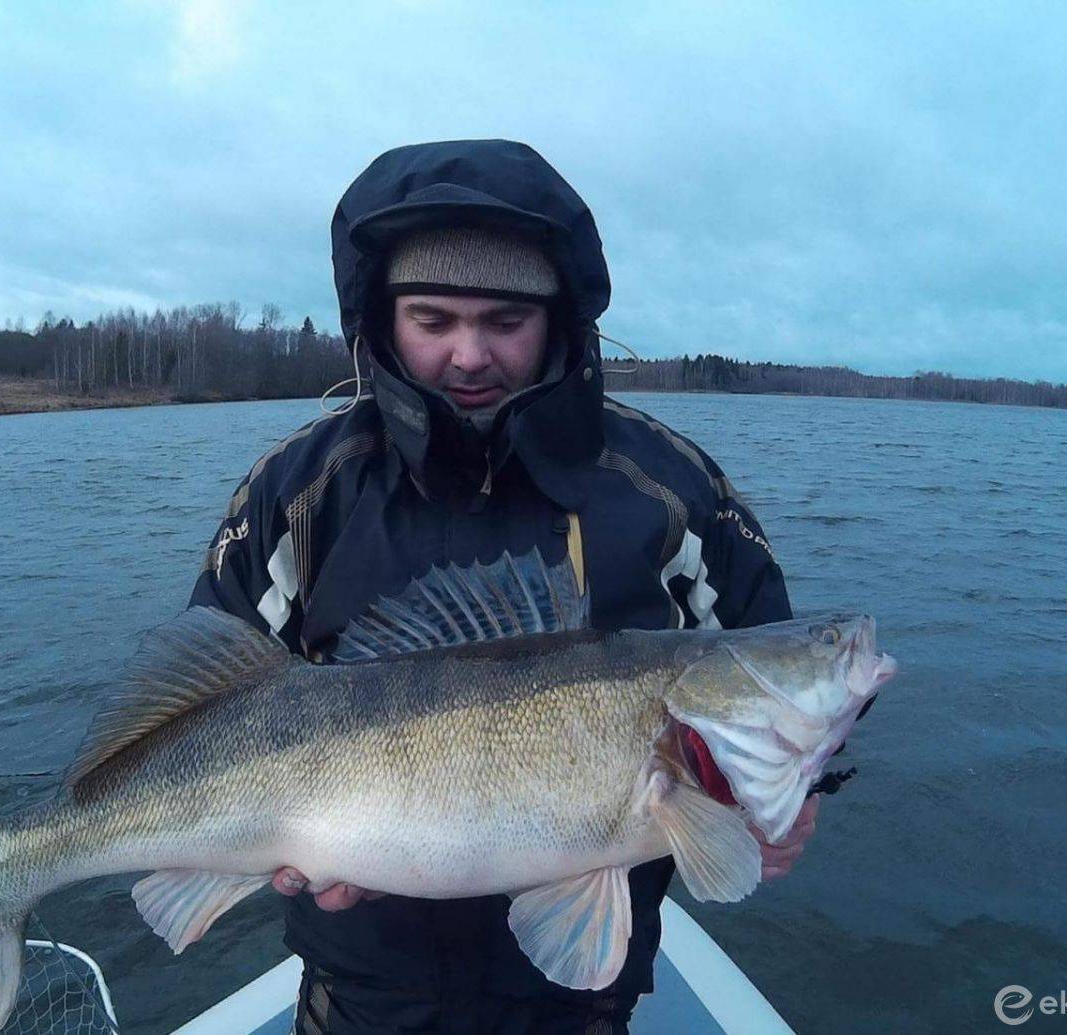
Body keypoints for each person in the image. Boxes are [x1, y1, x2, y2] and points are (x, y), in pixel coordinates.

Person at [188, 139, 818, 1034]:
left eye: (505, 320)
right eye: (432, 318)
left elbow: (768, 655)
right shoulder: (300, 492)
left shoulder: (665, 488)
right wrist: (260, 841)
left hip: (579, 1007)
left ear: (557, 321)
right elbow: (203, 679)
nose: (469, 353)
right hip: (361, 999)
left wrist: (805, 795)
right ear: (381, 319)